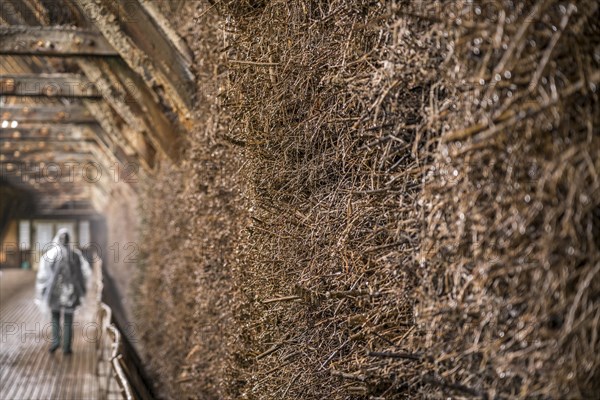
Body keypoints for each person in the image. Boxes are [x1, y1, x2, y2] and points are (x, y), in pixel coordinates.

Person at [35, 228, 91, 354]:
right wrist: (82, 291)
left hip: (54, 293)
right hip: (71, 293)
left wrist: (43, 293)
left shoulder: (50, 255)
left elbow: (43, 276)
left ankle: (55, 342)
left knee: (55, 317)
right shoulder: (75, 255)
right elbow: (82, 275)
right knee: (68, 319)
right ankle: (66, 347)